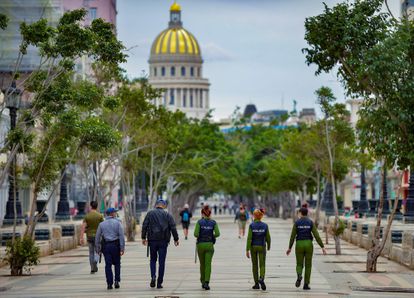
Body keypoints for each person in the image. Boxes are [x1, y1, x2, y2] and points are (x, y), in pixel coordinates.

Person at [286, 206, 326, 290]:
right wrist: (322, 247)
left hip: (299, 244)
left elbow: (292, 236)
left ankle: (299, 275)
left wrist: (289, 248)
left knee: (299, 264)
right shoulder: (310, 222)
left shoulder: (297, 223)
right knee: (308, 265)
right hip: (308, 244)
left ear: (300, 213)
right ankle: (306, 284)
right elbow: (316, 235)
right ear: (307, 213)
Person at [141, 199, 179, 289]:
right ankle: (159, 282)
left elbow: (144, 225)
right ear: (164, 206)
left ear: (156, 205)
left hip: (152, 240)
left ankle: (153, 276)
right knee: (162, 262)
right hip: (163, 241)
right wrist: (176, 239)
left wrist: (143, 238)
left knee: (153, 260)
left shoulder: (150, 214)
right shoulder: (167, 215)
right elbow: (173, 227)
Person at [95, 208, 125, 290]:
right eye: (115, 212)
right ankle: (117, 281)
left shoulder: (101, 224)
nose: (116, 214)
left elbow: (97, 237)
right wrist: (122, 248)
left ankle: (109, 283)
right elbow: (121, 236)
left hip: (106, 247)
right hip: (116, 246)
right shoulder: (118, 223)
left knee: (108, 265)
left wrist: (97, 249)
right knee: (117, 264)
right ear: (112, 214)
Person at [194, 205, 220, 290]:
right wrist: (212, 236)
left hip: (201, 245)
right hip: (209, 245)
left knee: (202, 264)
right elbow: (217, 233)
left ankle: (202, 281)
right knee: (208, 264)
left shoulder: (199, 222)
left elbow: (196, 234)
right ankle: (207, 282)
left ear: (202, 214)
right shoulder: (213, 222)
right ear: (210, 214)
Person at [246, 208, 270, 290]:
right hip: (262, 246)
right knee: (262, 264)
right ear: (261, 216)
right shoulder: (265, 225)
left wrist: (247, 249)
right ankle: (261, 278)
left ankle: (256, 283)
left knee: (255, 265)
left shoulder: (251, 225)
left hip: (253, 247)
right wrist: (269, 245)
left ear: (254, 216)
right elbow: (268, 237)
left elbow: (249, 238)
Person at [80, 201, 104, 274]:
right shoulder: (100, 216)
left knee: (91, 252)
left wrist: (81, 237)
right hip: (98, 236)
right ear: (96, 206)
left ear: (91, 206)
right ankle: (95, 261)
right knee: (98, 251)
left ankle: (92, 267)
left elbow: (83, 227)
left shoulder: (87, 216)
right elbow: (103, 226)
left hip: (89, 236)